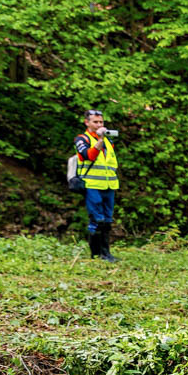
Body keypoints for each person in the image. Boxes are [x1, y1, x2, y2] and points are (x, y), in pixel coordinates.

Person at [73, 109, 119, 261]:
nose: (99, 125)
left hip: (109, 185)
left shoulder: (109, 141)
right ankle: (96, 254)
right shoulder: (82, 139)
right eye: (95, 122)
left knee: (107, 220)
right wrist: (100, 139)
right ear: (87, 123)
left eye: (101, 122)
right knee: (97, 220)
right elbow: (89, 156)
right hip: (92, 185)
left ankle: (106, 253)